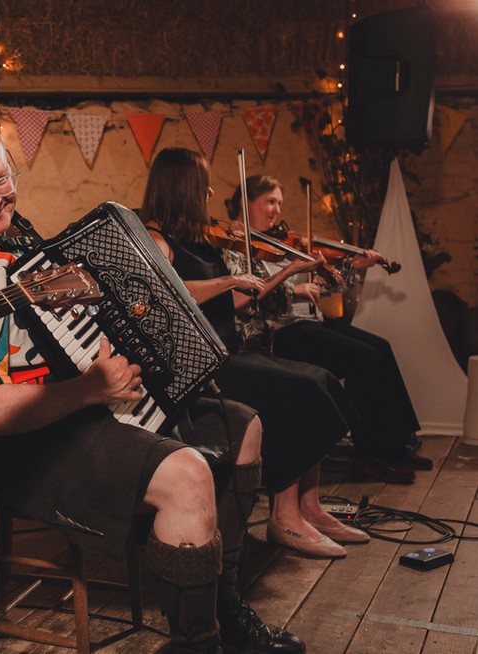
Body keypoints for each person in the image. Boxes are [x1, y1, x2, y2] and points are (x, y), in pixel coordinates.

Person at [0, 114, 303, 653]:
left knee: (245, 427)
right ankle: (200, 642)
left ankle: (224, 607)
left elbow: (57, 315)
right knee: (187, 474)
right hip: (20, 451)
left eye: (2, 180)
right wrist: (90, 389)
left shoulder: (13, 233)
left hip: (74, 414)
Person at [139, 147, 367, 560]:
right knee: (299, 391)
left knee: (319, 378)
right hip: (198, 369)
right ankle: (284, 517)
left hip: (227, 353)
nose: (209, 191)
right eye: (202, 183)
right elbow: (170, 293)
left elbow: (237, 301)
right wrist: (226, 280)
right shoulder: (154, 238)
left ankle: (307, 506)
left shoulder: (196, 237)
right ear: (182, 187)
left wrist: (269, 275)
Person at [224, 175, 430, 483]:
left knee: (380, 347)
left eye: (279, 202)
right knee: (363, 358)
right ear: (245, 203)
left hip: (306, 321)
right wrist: (294, 286)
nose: (276, 210)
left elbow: (329, 286)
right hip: (275, 331)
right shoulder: (236, 247)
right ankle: (368, 454)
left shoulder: (282, 243)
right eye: (270, 201)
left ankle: (395, 444)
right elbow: (247, 298)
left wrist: (349, 267)